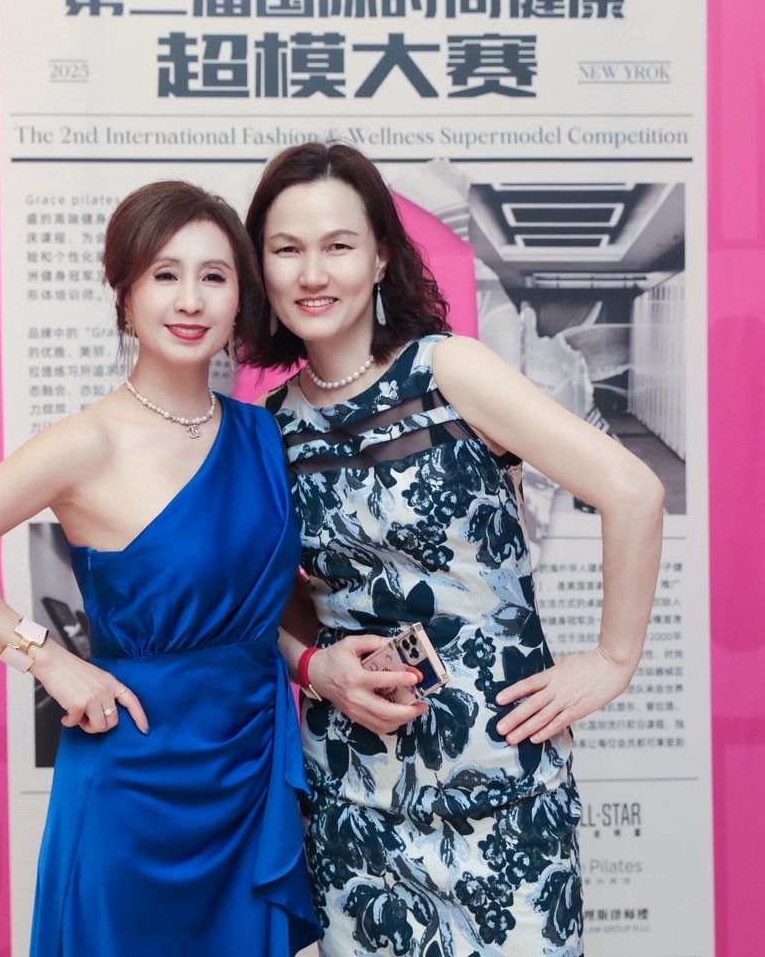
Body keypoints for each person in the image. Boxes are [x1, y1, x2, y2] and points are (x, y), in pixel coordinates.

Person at [241, 143, 664, 956]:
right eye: (286, 249)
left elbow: (632, 491)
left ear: (380, 256)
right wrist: (314, 666)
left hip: (502, 788)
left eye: (337, 245)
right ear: (262, 267)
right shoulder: (270, 427)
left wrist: (613, 660)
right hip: (355, 803)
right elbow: (273, 596)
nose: (312, 273)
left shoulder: (448, 370)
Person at [0, 180, 318, 957]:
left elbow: (276, 604)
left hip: (249, 765)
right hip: (133, 778)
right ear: (124, 293)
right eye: (164, 274)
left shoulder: (265, 435)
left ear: (241, 299)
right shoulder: (87, 442)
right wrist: (47, 659)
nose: (190, 300)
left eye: (214, 276)